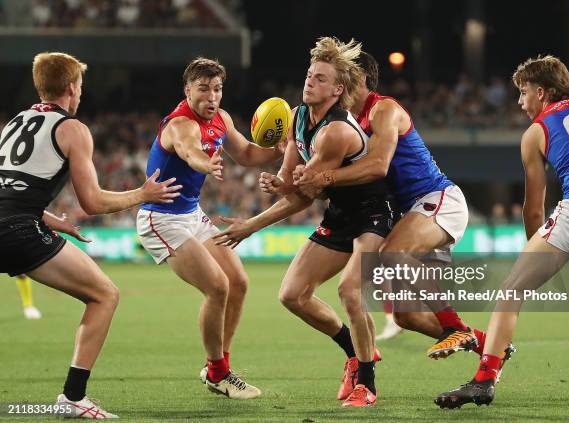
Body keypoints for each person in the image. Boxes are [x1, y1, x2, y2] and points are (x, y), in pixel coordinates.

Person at [295, 52, 514, 363]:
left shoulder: (383, 109)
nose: (338, 82)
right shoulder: (345, 122)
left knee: (393, 253)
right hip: (408, 215)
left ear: (360, 79)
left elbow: (378, 166)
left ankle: (455, 327)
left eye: (344, 75)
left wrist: (323, 176)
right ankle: (493, 348)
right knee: (406, 317)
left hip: (436, 200)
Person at [0, 52, 181, 419]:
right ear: (71, 87)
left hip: (15, 221)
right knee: (104, 295)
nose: (81, 93)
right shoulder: (72, 129)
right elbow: (94, 202)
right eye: (80, 86)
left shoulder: (15, 122)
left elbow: (9, 190)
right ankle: (73, 397)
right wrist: (142, 194)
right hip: (18, 232)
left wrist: (51, 219)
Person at [213, 37, 392, 407]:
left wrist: (251, 225)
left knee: (348, 292)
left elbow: (305, 195)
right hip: (340, 214)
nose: (310, 81)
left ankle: (367, 385)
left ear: (337, 89)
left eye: (320, 78)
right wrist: (276, 182)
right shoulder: (296, 117)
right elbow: (291, 183)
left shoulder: (336, 132)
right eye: (310, 75)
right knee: (292, 295)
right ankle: (357, 352)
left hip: (372, 215)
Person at [435, 55, 569, 408]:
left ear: (542, 92)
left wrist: (537, 249)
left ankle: (484, 380)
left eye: (523, 92)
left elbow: (534, 208)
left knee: (511, 289)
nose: (520, 102)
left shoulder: (536, 132)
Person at [136, 57, 285, 400]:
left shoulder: (221, 119)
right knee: (217, 287)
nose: (212, 97)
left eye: (217, 89)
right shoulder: (179, 126)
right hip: (161, 219)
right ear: (187, 90)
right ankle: (218, 372)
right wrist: (206, 161)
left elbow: (247, 153)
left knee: (239, 283)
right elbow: (191, 153)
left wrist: (278, 149)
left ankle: (218, 366)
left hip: (190, 213)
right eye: (203, 89)